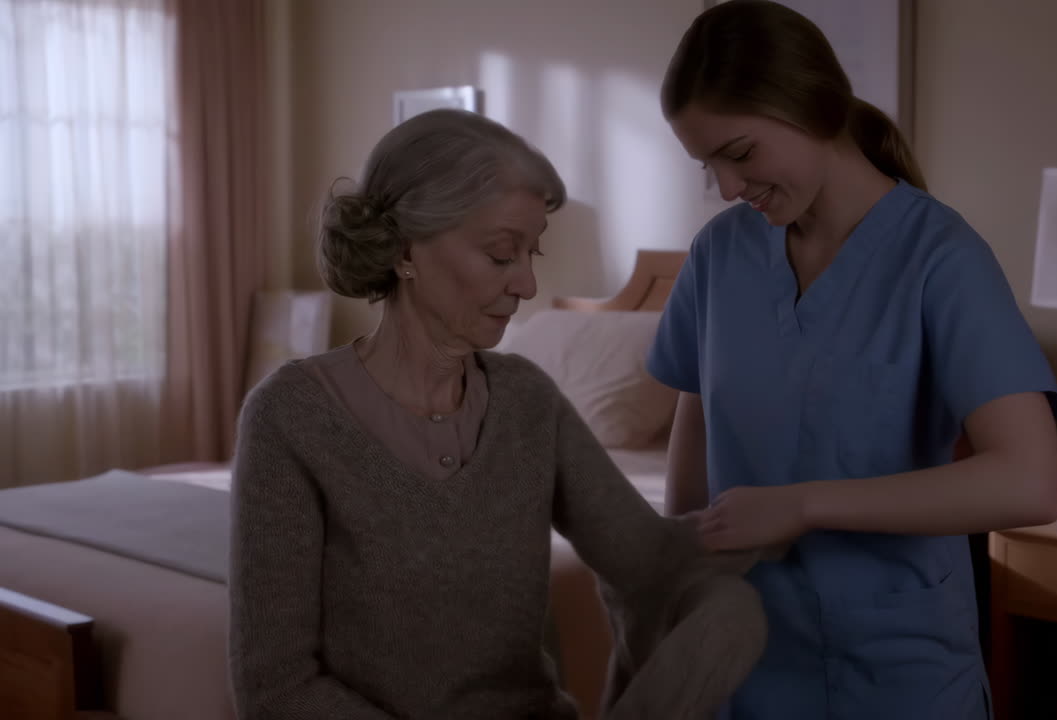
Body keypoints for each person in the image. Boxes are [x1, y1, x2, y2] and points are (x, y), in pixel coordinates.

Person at [227, 108, 766, 720]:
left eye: (531, 253)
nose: (528, 286)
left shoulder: (526, 399)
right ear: (407, 249)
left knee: (732, 613)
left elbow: (645, 559)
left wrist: (780, 515)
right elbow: (276, 689)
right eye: (501, 254)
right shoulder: (289, 417)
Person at [646, 2, 1057, 718]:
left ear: (813, 108)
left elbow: (1031, 482)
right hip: (742, 664)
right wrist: (679, 578)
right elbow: (699, 425)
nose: (727, 187)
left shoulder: (942, 260)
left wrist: (803, 507)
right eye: (707, 165)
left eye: (740, 153)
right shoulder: (718, 256)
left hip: (896, 669)